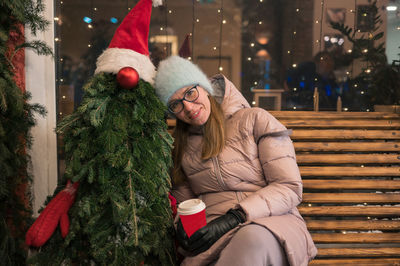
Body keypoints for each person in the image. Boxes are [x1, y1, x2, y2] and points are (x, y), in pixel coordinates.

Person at [154, 55, 317, 266]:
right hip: (213, 235)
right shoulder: (180, 146)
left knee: (250, 240)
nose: (188, 107)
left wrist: (236, 217)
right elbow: (187, 204)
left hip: (270, 224)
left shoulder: (255, 119)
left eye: (190, 93)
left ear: (204, 87)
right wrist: (183, 227)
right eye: (176, 104)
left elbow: (289, 187)